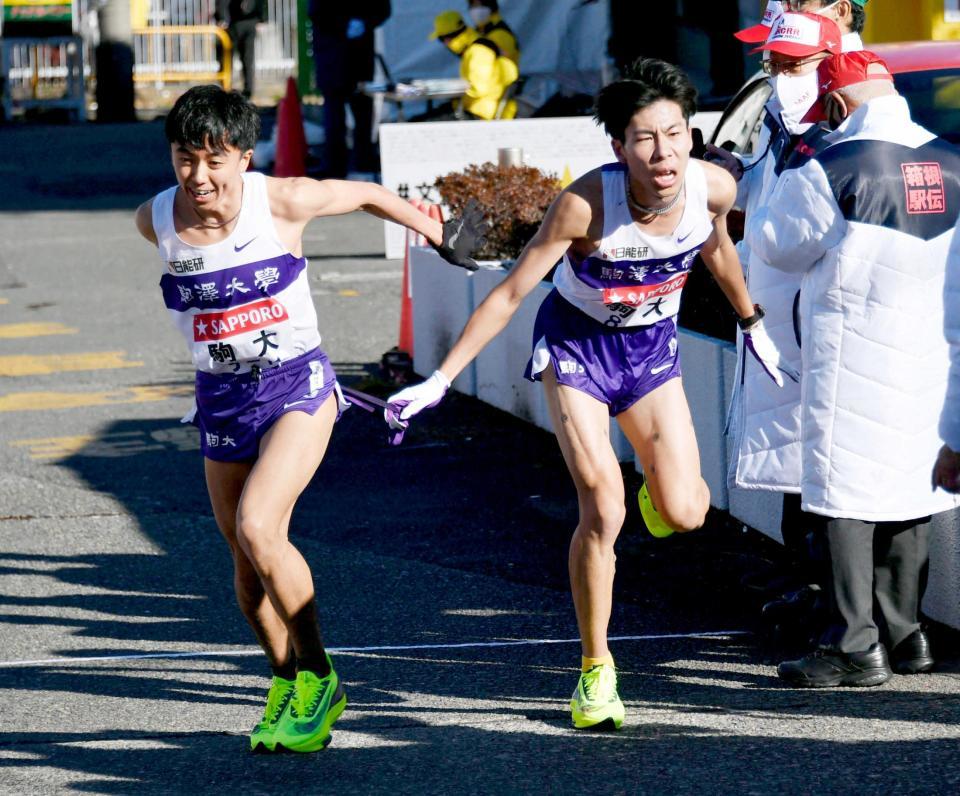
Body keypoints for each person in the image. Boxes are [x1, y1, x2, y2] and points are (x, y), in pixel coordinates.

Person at [383, 58, 792, 728]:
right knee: (603, 509)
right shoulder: (586, 205)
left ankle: (654, 494)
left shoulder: (713, 187)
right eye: (644, 138)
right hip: (577, 352)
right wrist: (441, 377)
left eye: (674, 134)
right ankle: (595, 669)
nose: (662, 153)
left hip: (650, 355)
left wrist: (752, 323)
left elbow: (715, 247)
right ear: (618, 146)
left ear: (690, 136)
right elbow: (511, 292)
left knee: (687, 512)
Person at [133, 85, 481, 752]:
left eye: (214, 160)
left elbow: (368, 194)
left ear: (244, 157)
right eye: (184, 158)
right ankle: (285, 679)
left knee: (259, 526)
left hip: (296, 386)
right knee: (246, 568)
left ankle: (321, 677)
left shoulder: (283, 201)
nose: (198, 176)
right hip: (220, 397)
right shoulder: (156, 219)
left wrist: (440, 235)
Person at [752, 51, 960, 686]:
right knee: (909, 488)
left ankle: (852, 644)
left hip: (854, 350)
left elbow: (775, 245)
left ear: (838, 104)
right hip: (929, 351)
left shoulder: (833, 163)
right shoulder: (951, 159)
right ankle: (906, 634)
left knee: (842, 493)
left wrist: (791, 163)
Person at [721, 8, 865, 615]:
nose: (777, 76)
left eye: (790, 64)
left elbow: (791, 234)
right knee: (793, 466)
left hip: (817, 318)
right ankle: (810, 590)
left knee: (824, 472)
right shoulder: (779, 121)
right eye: (769, 62)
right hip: (775, 316)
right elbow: (758, 199)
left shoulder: (845, 126)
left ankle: (838, 613)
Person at [309, 2, 392, 176]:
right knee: (335, 116)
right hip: (332, 54)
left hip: (359, 56)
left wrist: (366, 23)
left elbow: (383, 9)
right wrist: (343, 25)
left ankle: (362, 161)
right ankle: (335, 165)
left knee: (362, 112)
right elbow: (316, 11)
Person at [427, 10, 519, 121]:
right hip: (478, 110)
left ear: (447, 38)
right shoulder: (479, 46)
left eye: (441, 39)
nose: (444, 44)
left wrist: (454, 96)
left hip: (479, 113)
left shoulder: (478, 50)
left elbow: (478, 89)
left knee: (420, 122)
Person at [215, 0, 267, 101]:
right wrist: (222, 18)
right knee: (229, 59)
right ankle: (228, 90)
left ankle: (246, 92)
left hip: (244, 22)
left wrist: (261, 18)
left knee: (245, 59)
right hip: (235, 22)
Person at [466, 0, 519, 65]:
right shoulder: (481, 31)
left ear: (490, 6)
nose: (475, 10)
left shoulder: (499, 34)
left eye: (478, 5)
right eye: (472, 6)